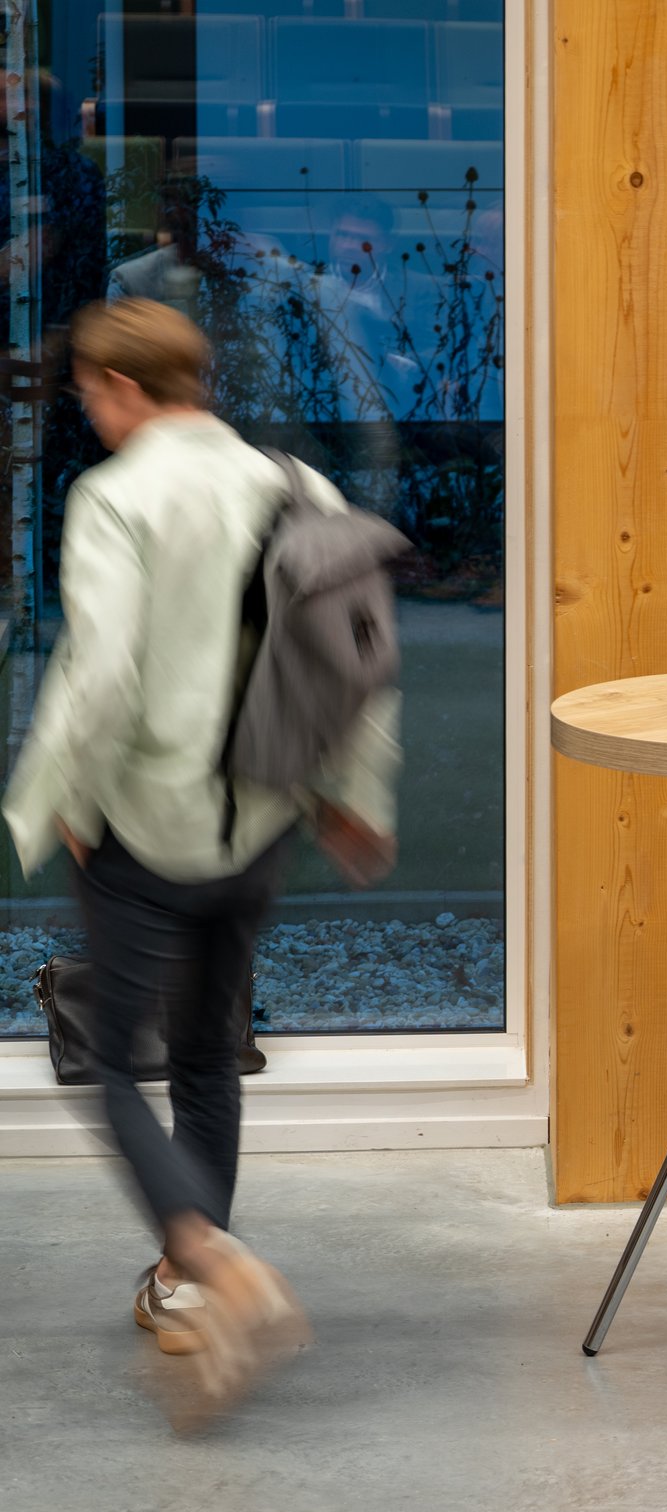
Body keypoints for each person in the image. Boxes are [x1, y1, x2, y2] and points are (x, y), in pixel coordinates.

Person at [3, 299, 400, 1422]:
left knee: (113, 1067)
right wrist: (350, 796)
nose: (88, 410)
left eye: (90, 391)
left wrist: (54, 803)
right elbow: (357, 658)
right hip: (262, 819)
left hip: (147, 826)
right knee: (211, 1054)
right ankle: (186, 1288)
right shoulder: (296, 486)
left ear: (126, 390)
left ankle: (210, 1258)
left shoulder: (116, 497)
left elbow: (102, 670)